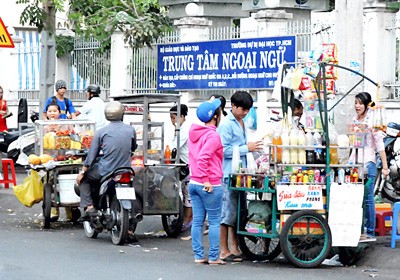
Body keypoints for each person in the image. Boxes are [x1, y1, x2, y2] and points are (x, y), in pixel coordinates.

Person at [217, 91, 263, 262]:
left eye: (247, 110)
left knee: (237, 213)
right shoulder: (226, 125)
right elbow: (223, 150)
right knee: (226, 213)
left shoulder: (241, 122)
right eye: (243, 109)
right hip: (228, 174)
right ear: (233, 106)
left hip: (240, 174)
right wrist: (246, 148)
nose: (245, 112)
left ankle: (234, 247)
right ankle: (223, 249)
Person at [76, 101, 137, 218]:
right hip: (126, 170)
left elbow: (91, 156)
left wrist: (83, 172)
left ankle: (89, 206)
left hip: (106, 170)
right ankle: (130, 229)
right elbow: (133, 147)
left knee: (85, 179)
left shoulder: (101, 132)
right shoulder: (131, 130)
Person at [188, 99, 225, 265]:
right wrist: (207, 180)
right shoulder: (213, 136)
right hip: (209, 183)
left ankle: (198, 255)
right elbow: (204, 158)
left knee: (197, 221)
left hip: (194, 182)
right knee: (215, 221)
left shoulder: (195, 133)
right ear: (215, 117)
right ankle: (214, 257)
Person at [353, 92, 389, 242]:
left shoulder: (372, 121)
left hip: (369, 163)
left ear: (367, 105)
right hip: (355, 163)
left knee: (368, 199)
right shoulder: (355, 120)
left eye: (360, 103)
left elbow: (380, 145)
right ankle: (358, 229)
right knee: (355, 199)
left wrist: (385, 167)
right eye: (355, 103)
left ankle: (369, 232)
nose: (357, 106)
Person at [44, 102, 73, 221]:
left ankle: (69, 210)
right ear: (46, 113)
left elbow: (70, 138)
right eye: (50, 111)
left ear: (59, 112)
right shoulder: (44, 126)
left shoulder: (65, 125)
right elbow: (40, 141)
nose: (52, 113)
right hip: (50, 159)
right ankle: (54, 211)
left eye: (54, 111)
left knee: (66, 184)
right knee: (51, 183)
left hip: (64, 158)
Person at [169, 104, 192, 232]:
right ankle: (186, 218)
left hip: (188, 165)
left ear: (182, 116)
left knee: (187, 193)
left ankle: (188, 219)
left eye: (174, 118)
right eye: (171, 118)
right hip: (184, 163)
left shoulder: (183, 130)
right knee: (185, 190)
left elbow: (174, 146)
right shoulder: (180, 128)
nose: (172, 121)